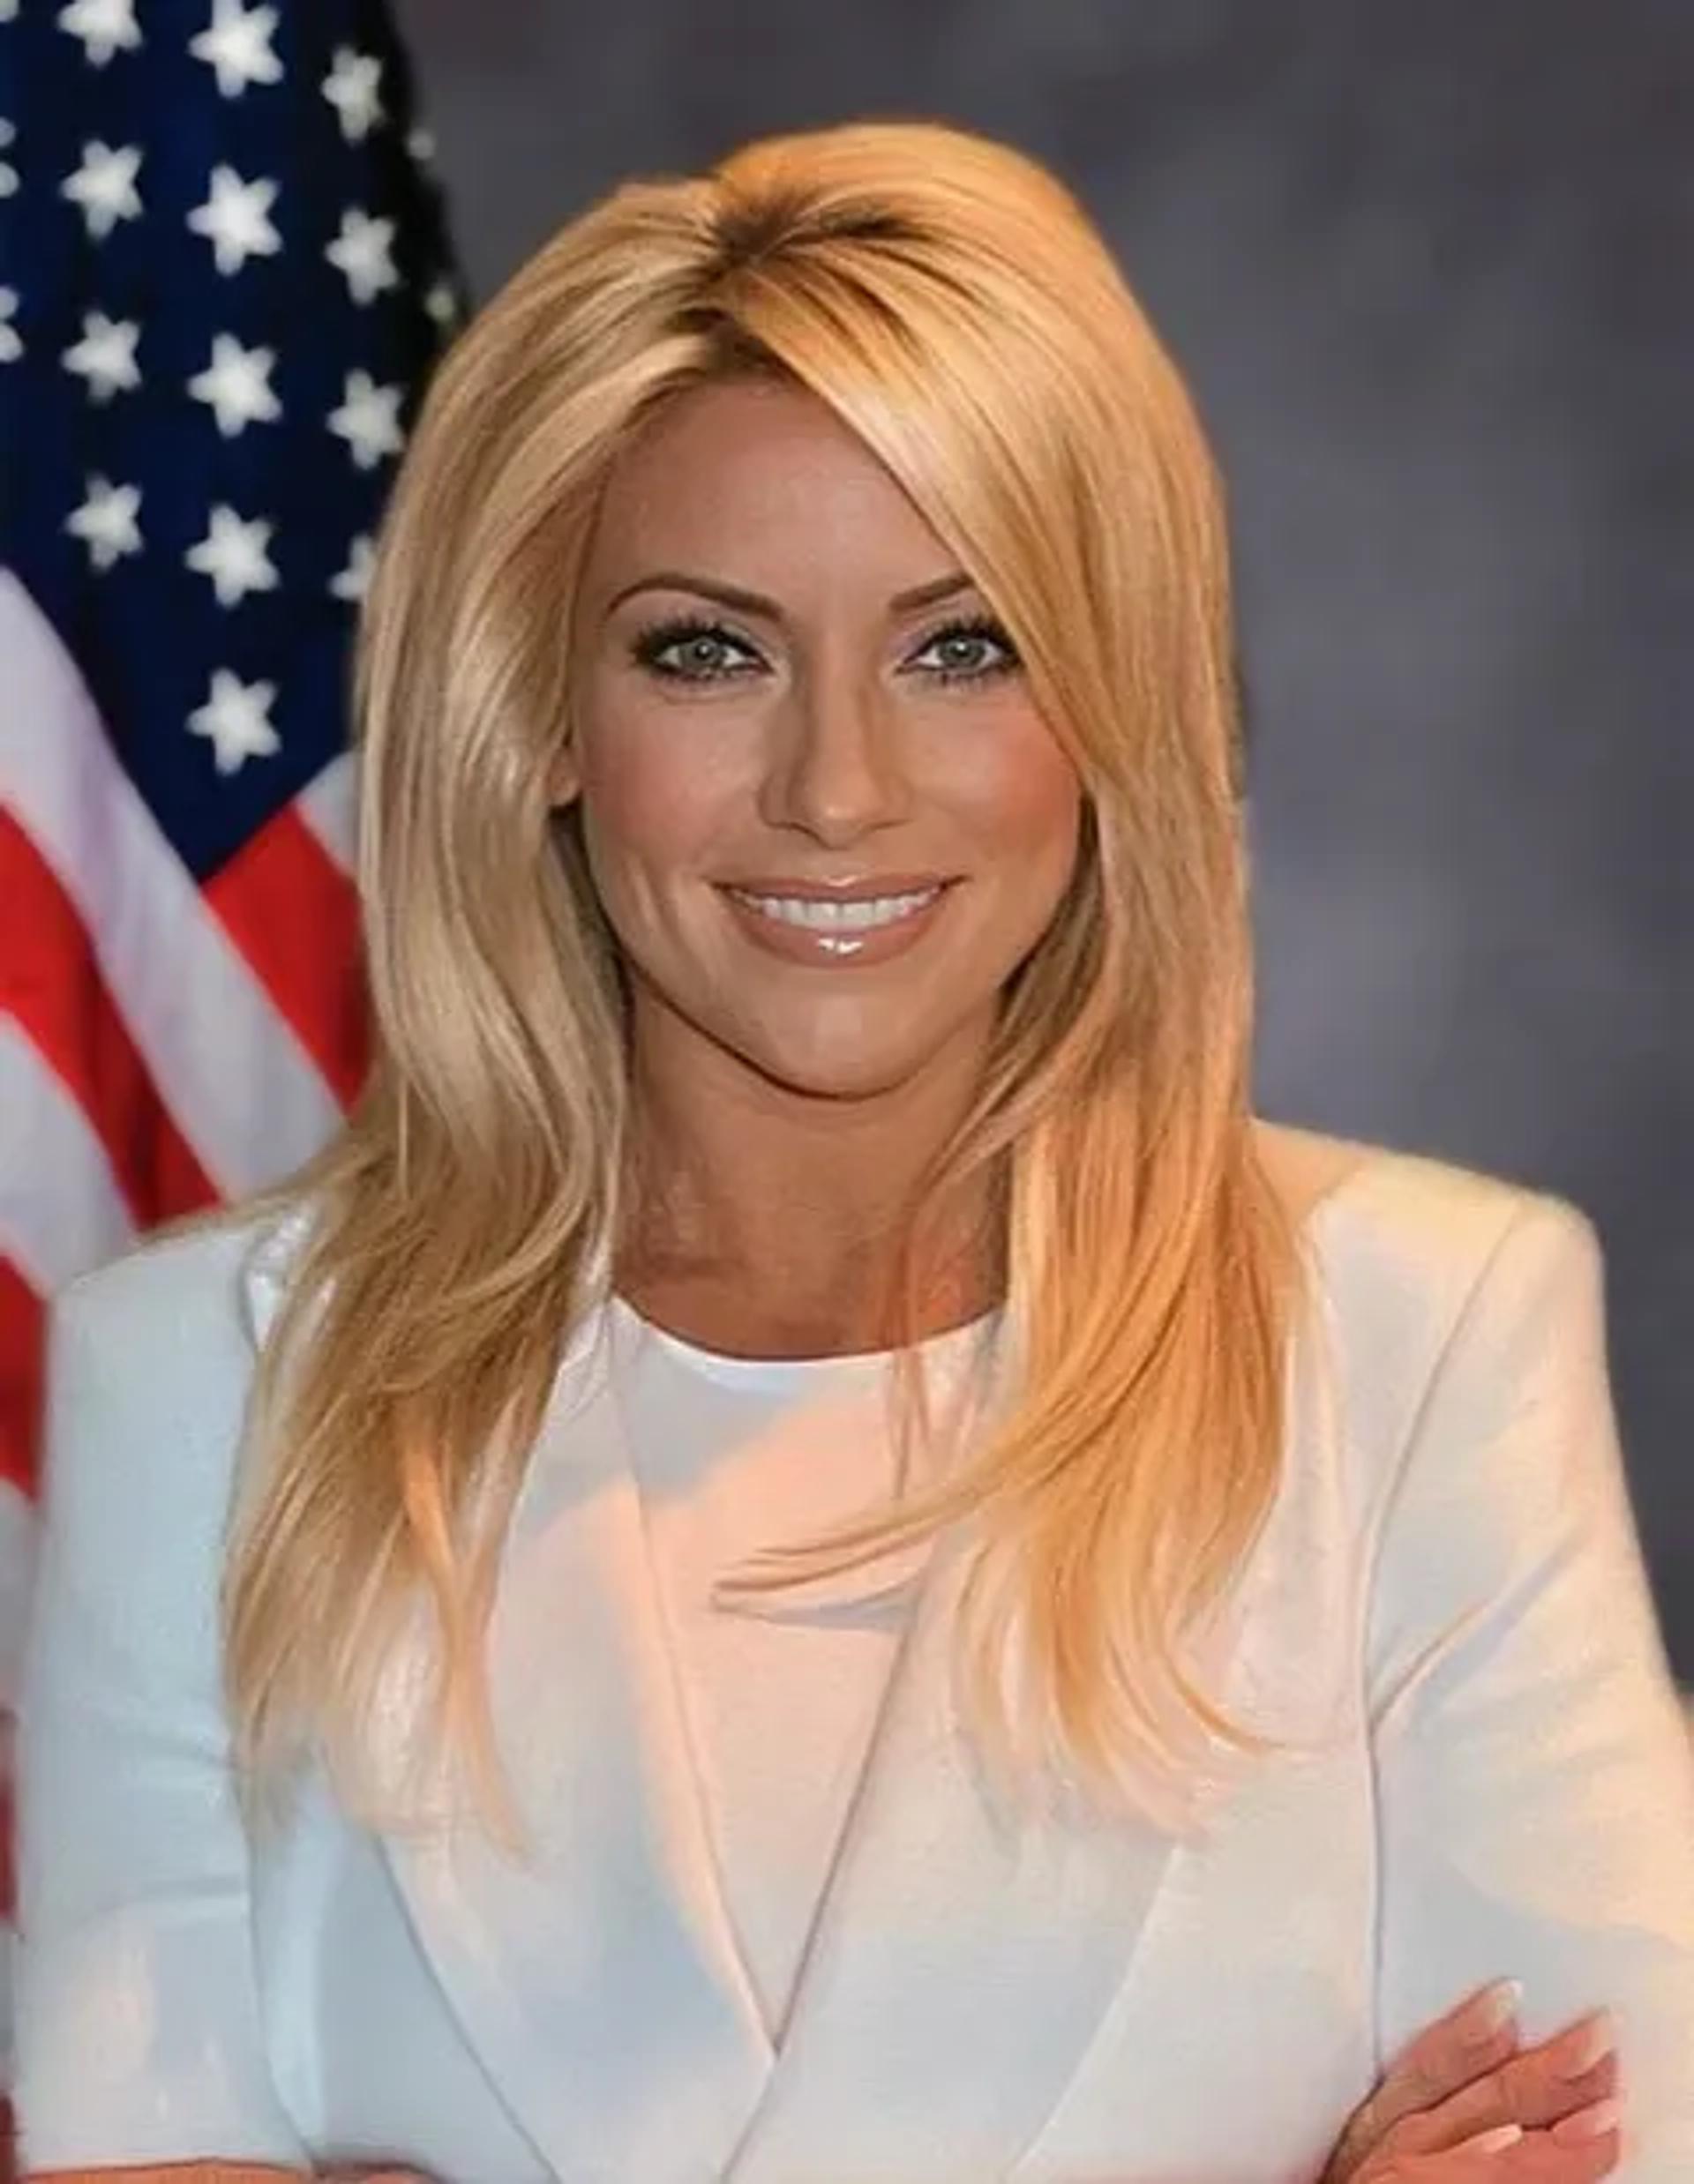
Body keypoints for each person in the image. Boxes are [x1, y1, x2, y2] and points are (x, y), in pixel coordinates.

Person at [13, 117, 1694, 2184]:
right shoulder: (203, 1384)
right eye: (705, 649)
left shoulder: (1422, 1337)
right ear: (534, 704)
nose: (839, 786)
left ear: (1110, 703)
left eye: (962, 644)